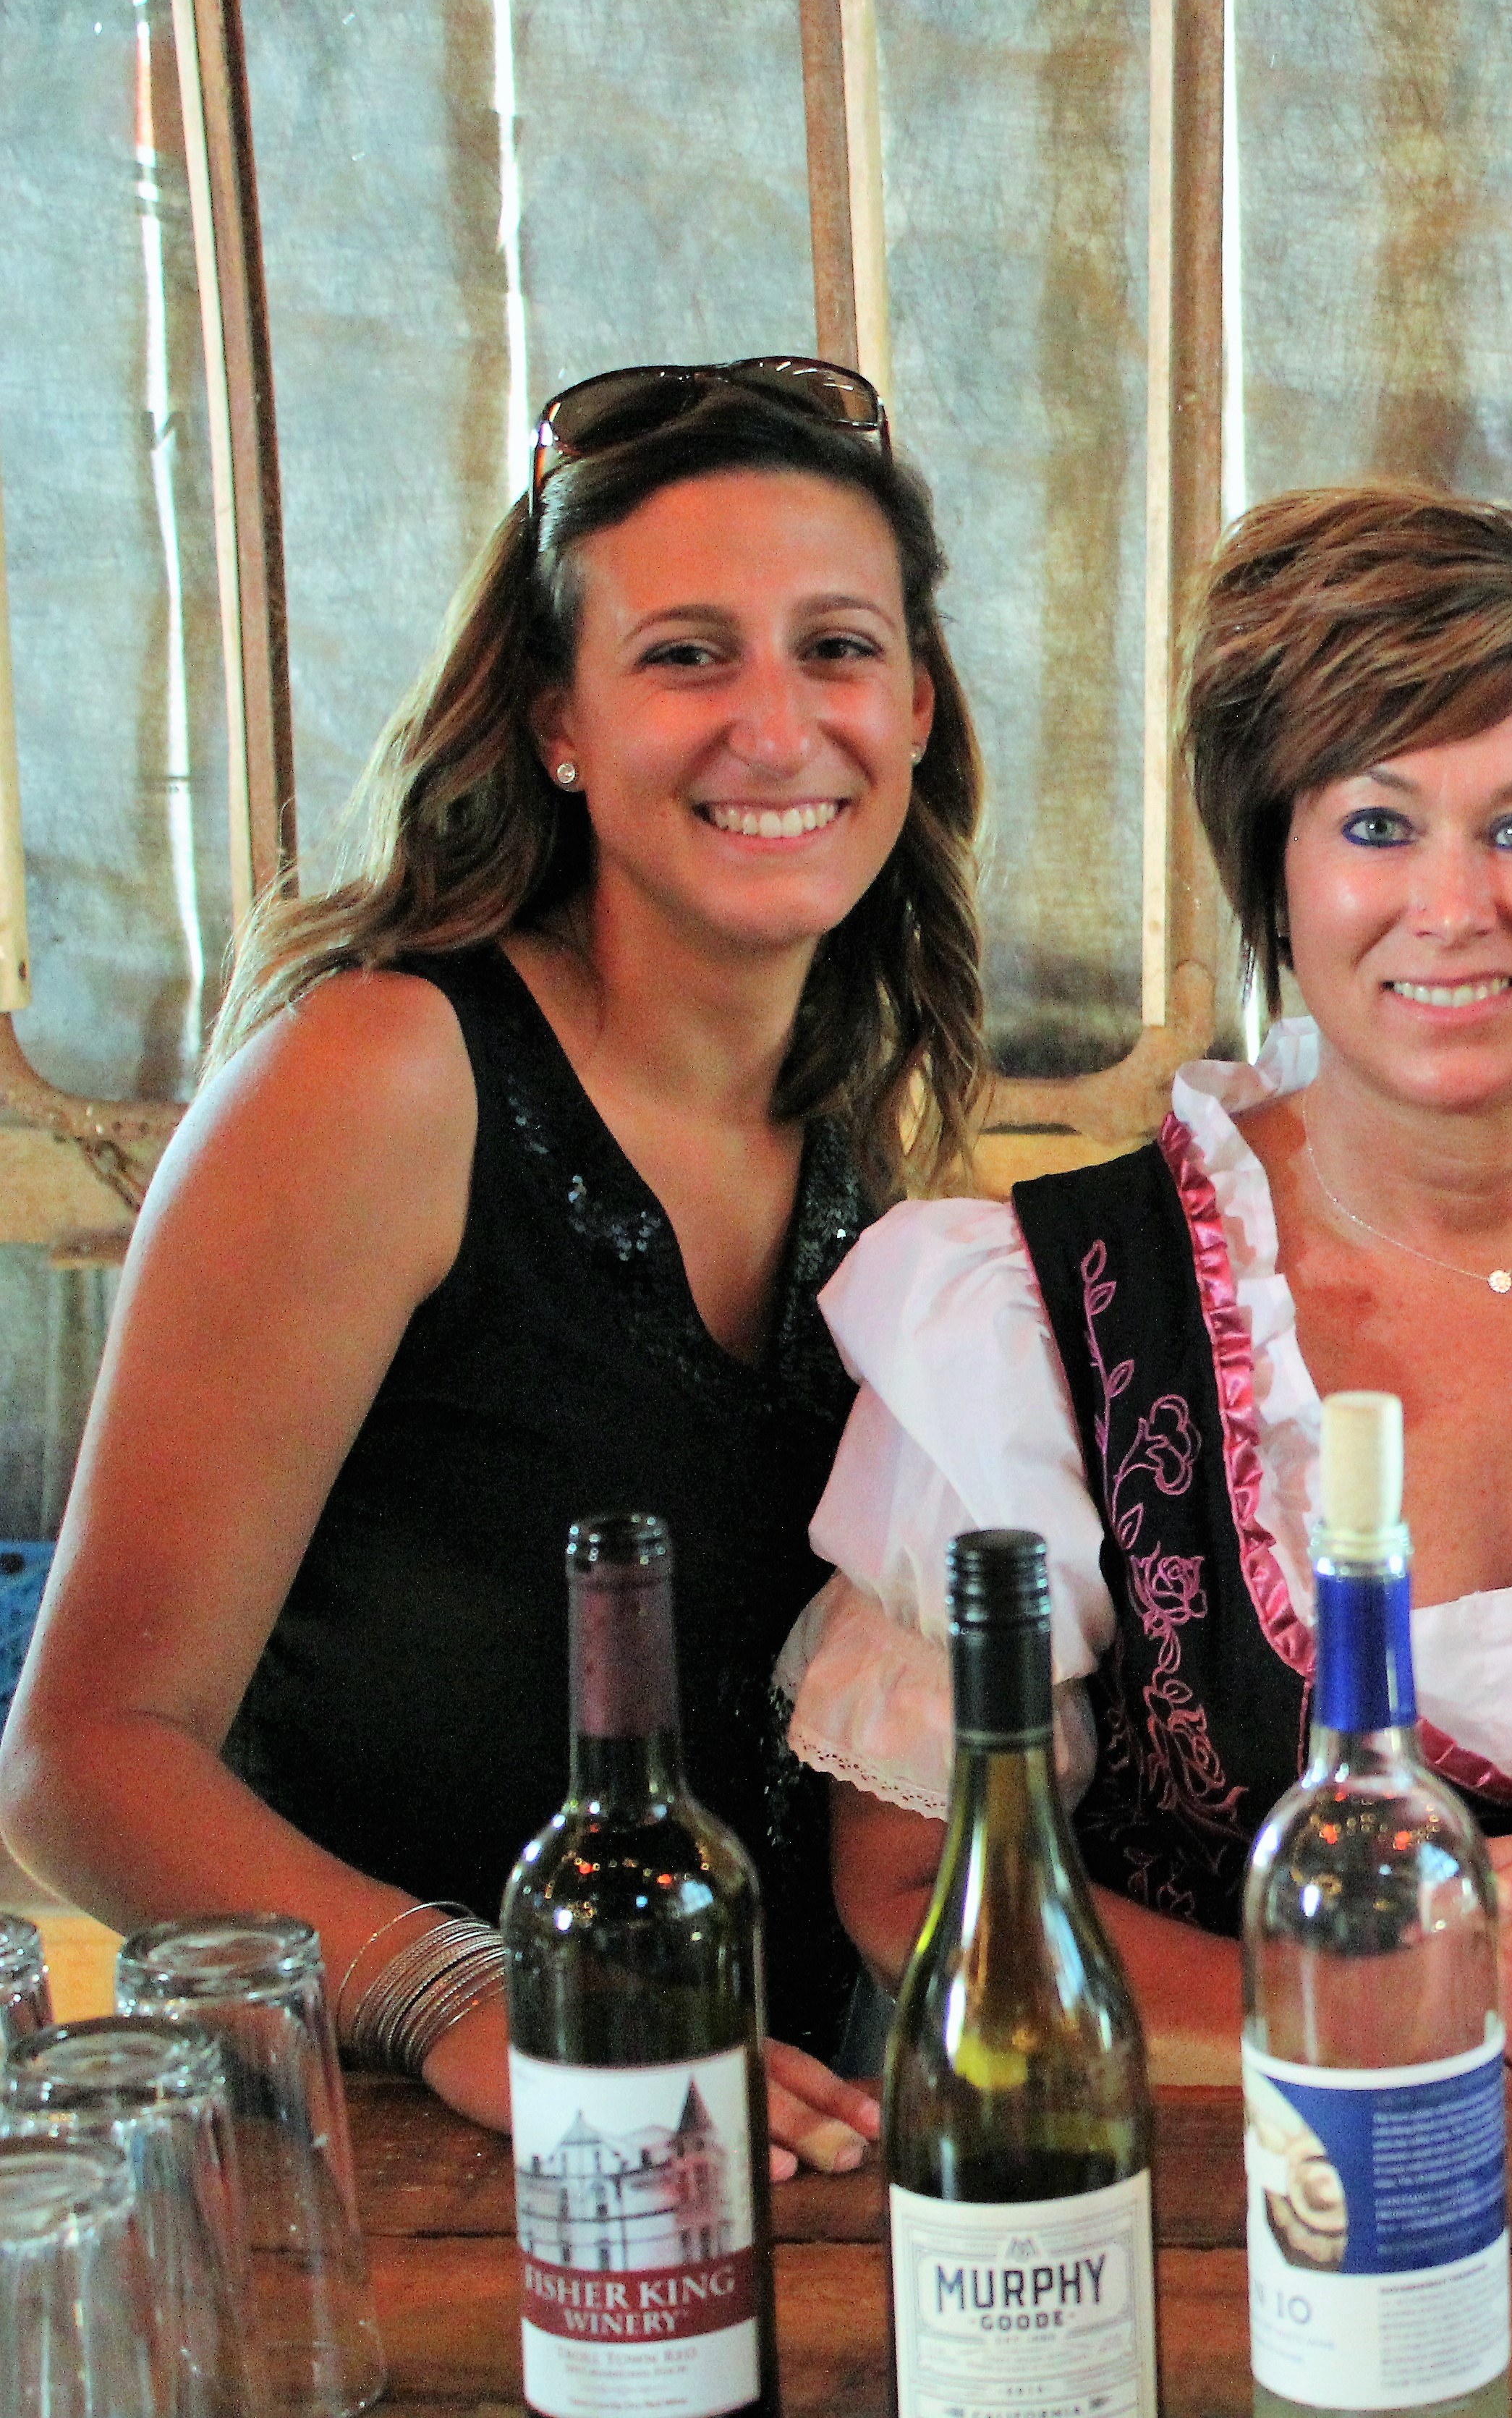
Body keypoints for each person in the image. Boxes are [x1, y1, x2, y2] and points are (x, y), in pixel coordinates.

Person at [786, 482, 1512, 2095]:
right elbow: (918, 1891)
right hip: (1239, 2174)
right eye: (1378, 827)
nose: (1454, 910)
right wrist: (1376, 1999)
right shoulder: (1045, 1316)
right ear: (1279, 865)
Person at [0, 362, 988, 2171]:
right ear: (557, 722)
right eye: (687, 655)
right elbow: (85, 1758)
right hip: (378, 2174)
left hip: (743, 2169)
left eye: (836, 649)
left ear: (915, 707)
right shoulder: (382, 1076)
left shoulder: (865, 1150)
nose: (778, 727)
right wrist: (474, 2004)